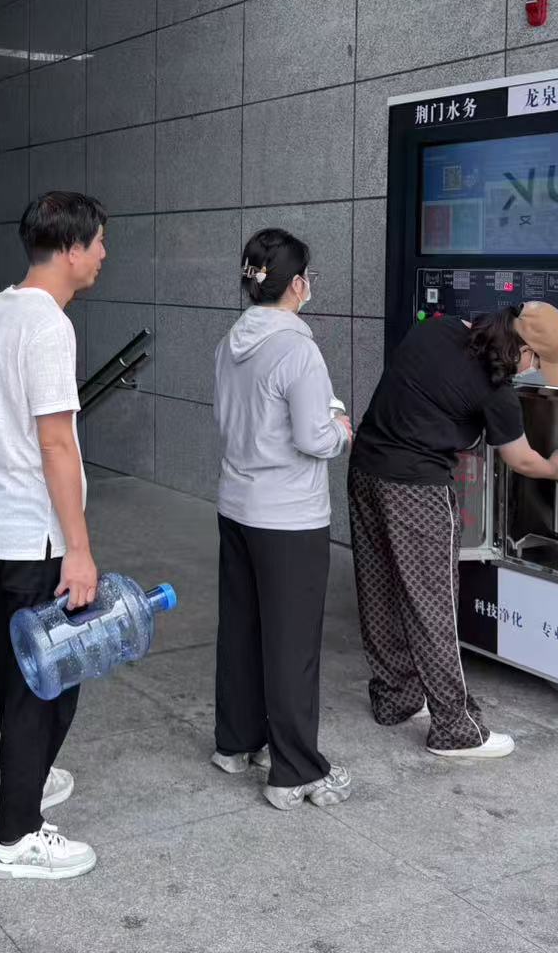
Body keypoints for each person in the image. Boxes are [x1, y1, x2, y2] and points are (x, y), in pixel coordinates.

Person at [346, 302, 558, 760]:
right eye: (536, 362)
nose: (532, 370)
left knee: (379, 592)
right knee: (433, 608)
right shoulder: (496, 389)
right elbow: (522, 459)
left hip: (365, 471)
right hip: (416, 491)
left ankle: (395, 698)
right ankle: (455, 728)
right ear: (524, 350)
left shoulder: (437, 328)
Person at [0, 191, 108, 881]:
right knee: (50, 682)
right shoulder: (49, 326)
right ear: (71, 249)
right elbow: (55, 442)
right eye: (99, 242)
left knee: (16, 673)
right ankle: (15, 835)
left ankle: (29, 779)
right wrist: (78, 549)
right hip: (36, 536)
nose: (103, 255)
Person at [211, 229, 353, 809]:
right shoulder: (297, 350)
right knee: (293, 644)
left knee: (242, 630)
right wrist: (340, 428)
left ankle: (236, 743)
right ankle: (295, 771)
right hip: (289, 516)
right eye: (308, 277)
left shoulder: (230, 342)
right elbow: (314, 437)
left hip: (236, 504)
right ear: (296, 284)